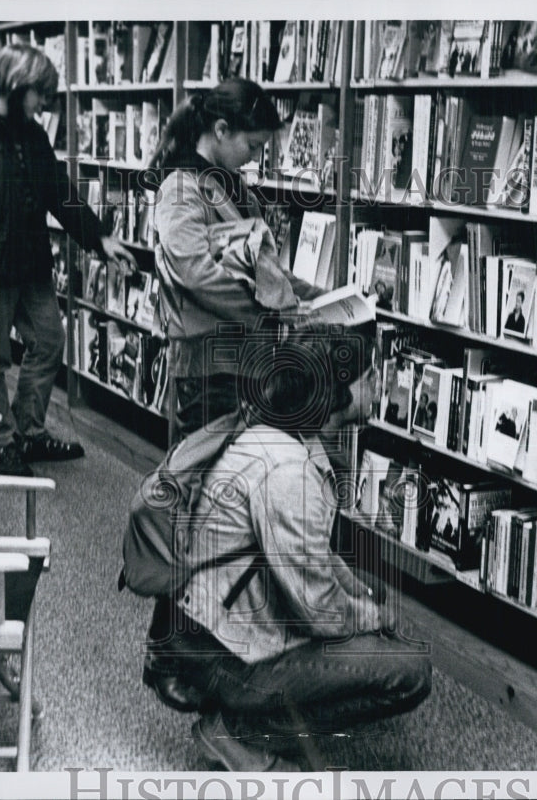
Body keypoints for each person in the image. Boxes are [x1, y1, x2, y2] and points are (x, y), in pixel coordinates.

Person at [152, 326, 432, 771]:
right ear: (339, 389)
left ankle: (254, 714)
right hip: (224, 656)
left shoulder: (287, 436)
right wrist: (371, 616)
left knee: (377, 629)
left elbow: (316, 554)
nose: (379, 383)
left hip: (220, 631)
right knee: (410, 672)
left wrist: (363, 599)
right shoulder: (287, 471)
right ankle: (238, 732)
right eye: (370, 375)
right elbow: (319, 612)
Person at [0, 43, 133, 476]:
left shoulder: (32, 132)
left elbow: (57, 191)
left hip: (31, 266)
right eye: (39, 93)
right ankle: (0, 443)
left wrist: (100, 238)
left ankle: (29, 432)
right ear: (17, 84)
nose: (44, 103)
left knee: (49, 341)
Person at [146, 77, 324, 446]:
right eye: (254, 145)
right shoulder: (180, 188)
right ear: (222, 130)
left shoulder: (236, 188)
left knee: (236, 475)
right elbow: (194, 273)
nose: (257, 157)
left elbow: (265, 270)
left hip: (247, 361)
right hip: (207, 364)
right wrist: (273, 311)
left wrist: (323, 297)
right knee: (199, 475)